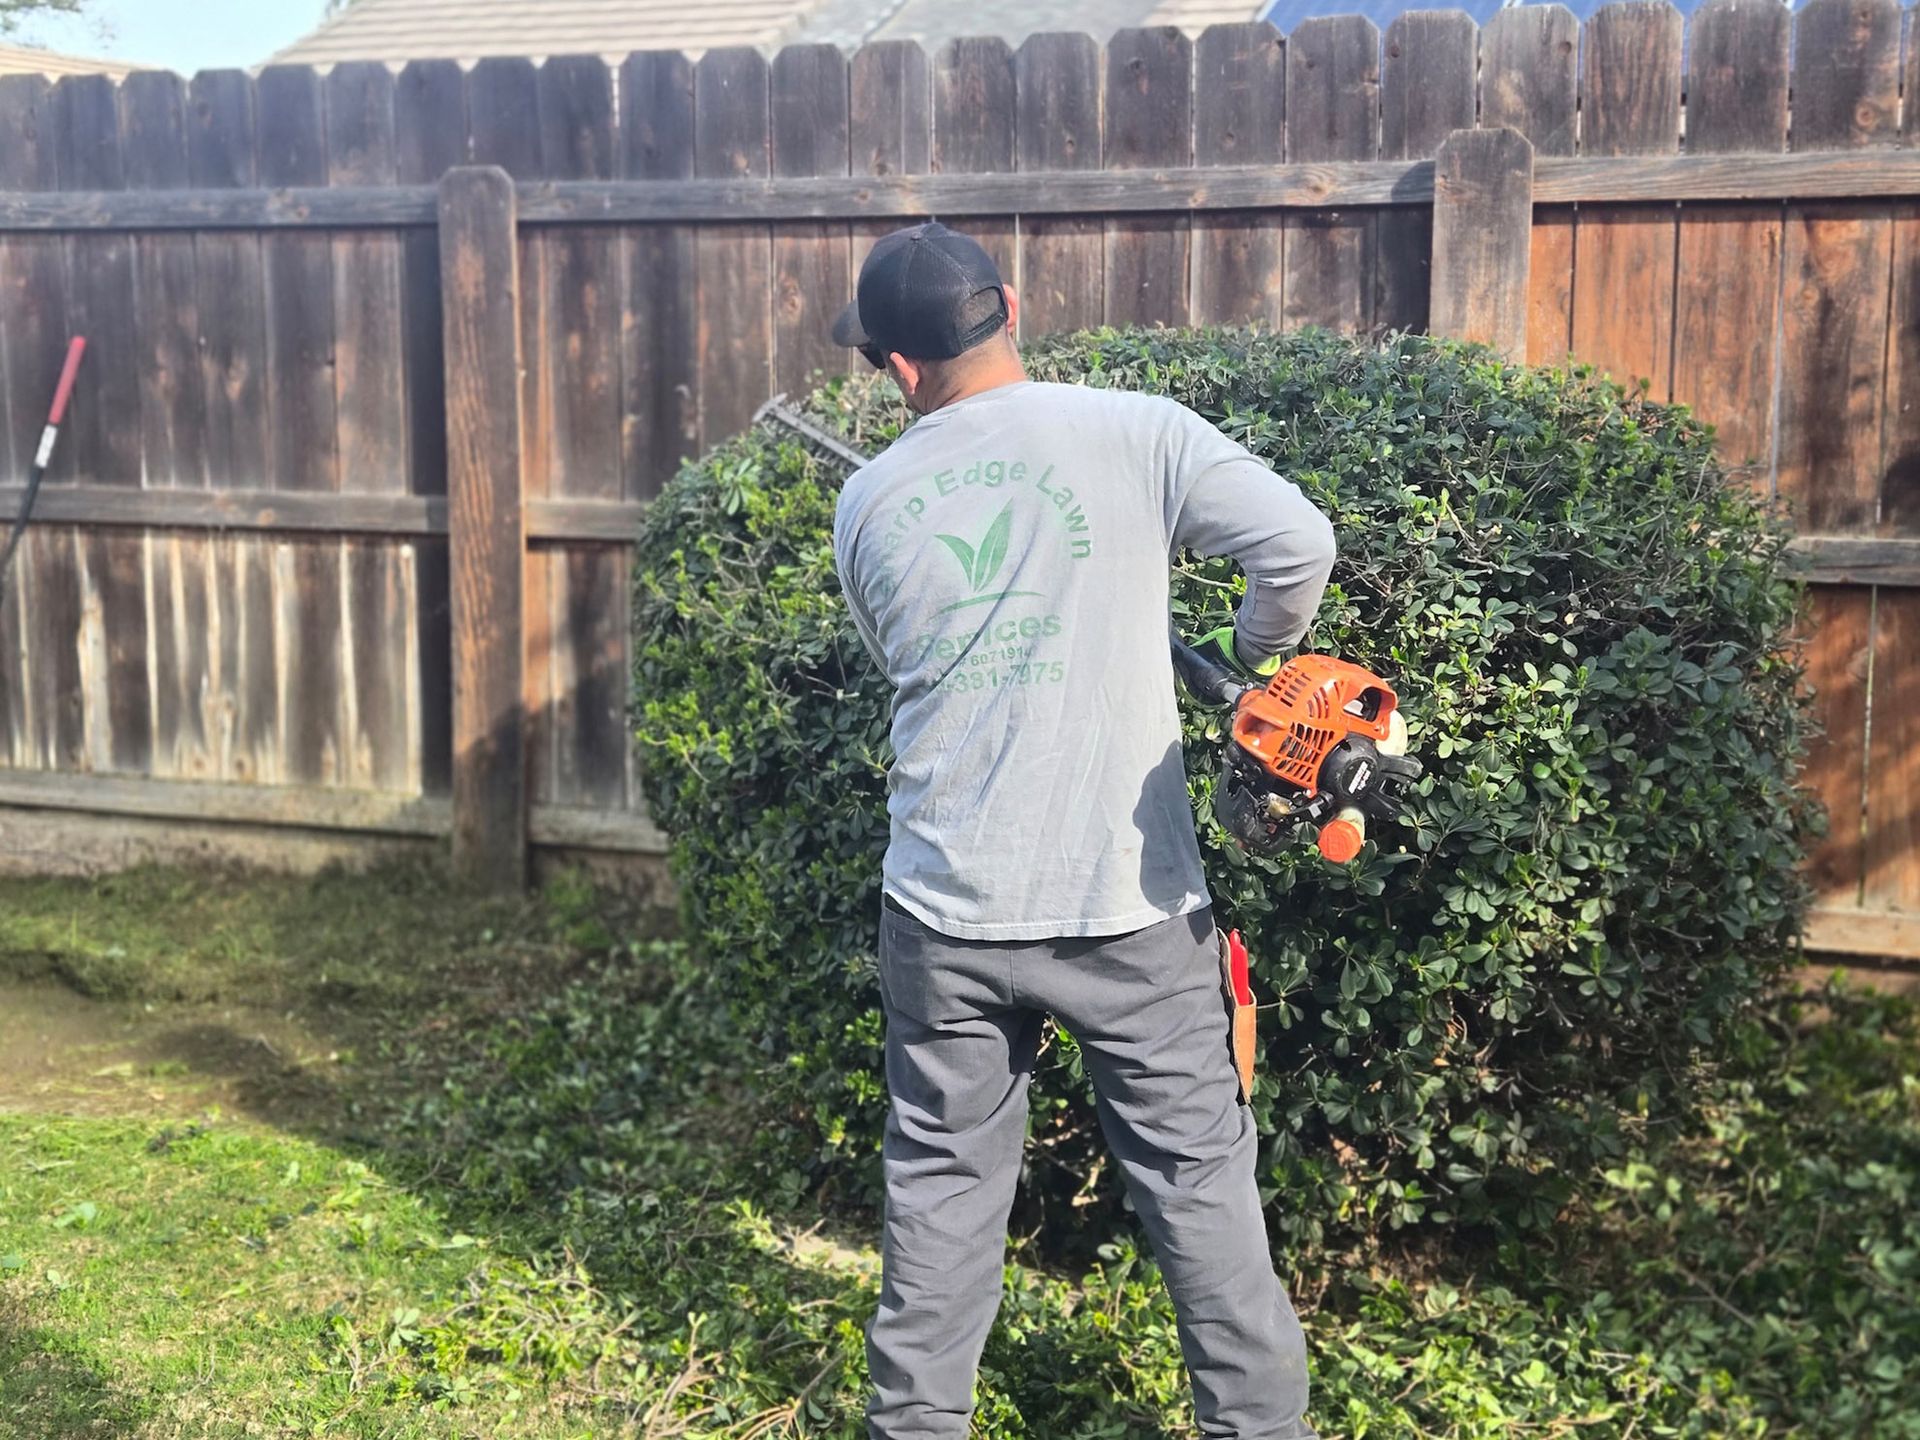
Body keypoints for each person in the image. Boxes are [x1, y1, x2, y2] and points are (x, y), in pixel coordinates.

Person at [829, 221, 1335, 1440]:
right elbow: (1299, 545)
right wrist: (1248, 663)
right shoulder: (1138, 431)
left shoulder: (868, 498)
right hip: (1132, 905)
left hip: (943, 907)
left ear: (895, 366)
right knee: (1200, 1185)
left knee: (943, 1188)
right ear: (1011, 303)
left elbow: (906, 662)